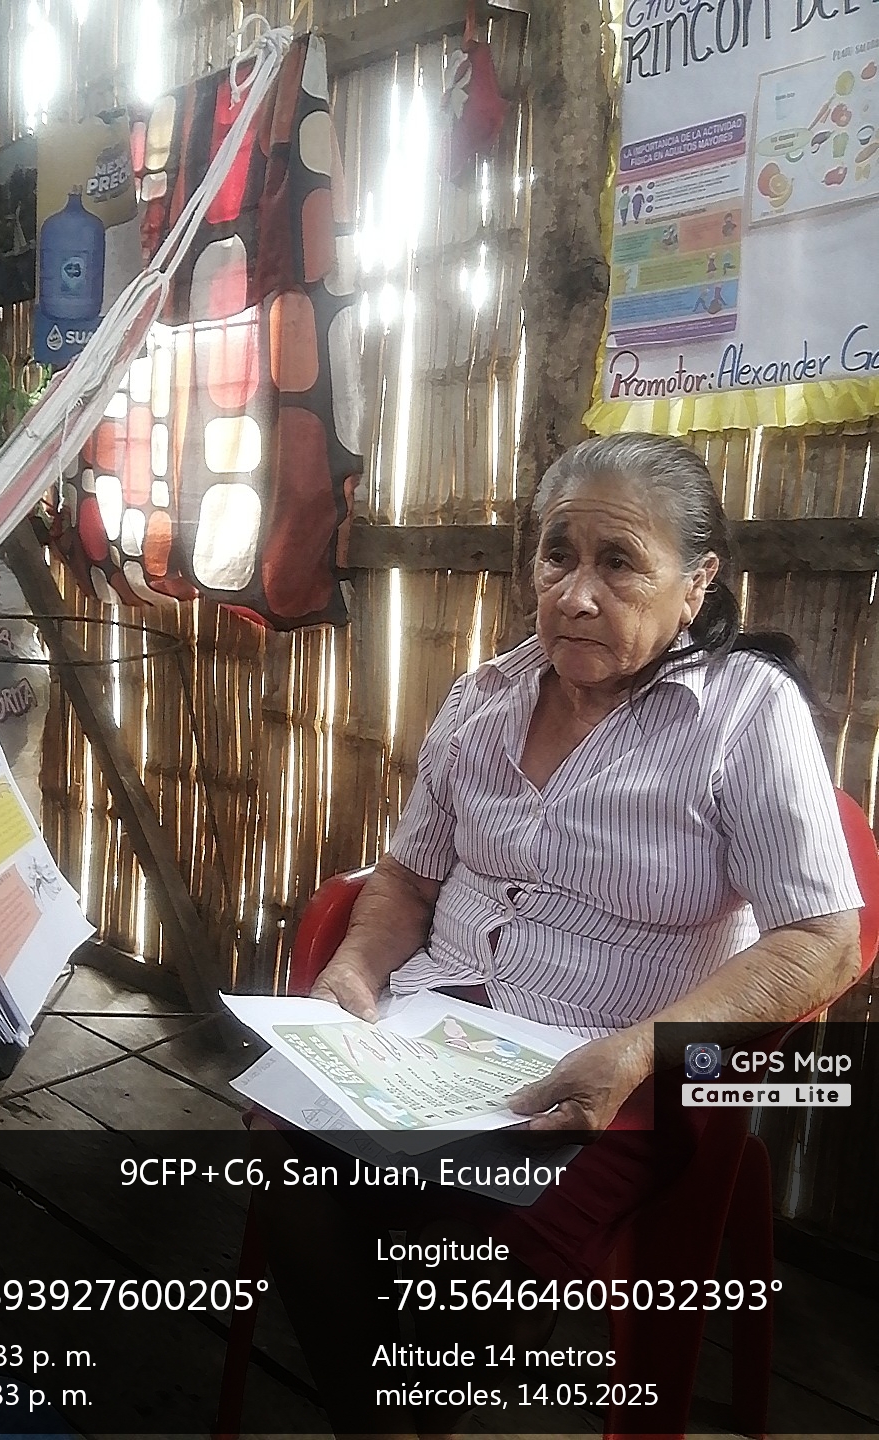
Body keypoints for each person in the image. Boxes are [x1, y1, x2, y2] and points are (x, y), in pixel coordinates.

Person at [251, 433, 863, 1437]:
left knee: (470, 1268)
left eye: (619, 563)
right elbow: (407, 876)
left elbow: (821, 940)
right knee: (282, 1151)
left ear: (696, 584)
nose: (577, 595)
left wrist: (635, 1052)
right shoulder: (484, 698)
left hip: (618, 1070)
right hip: (431, 1041)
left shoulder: (746, 714)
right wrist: (355, 971)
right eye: (558, 557)